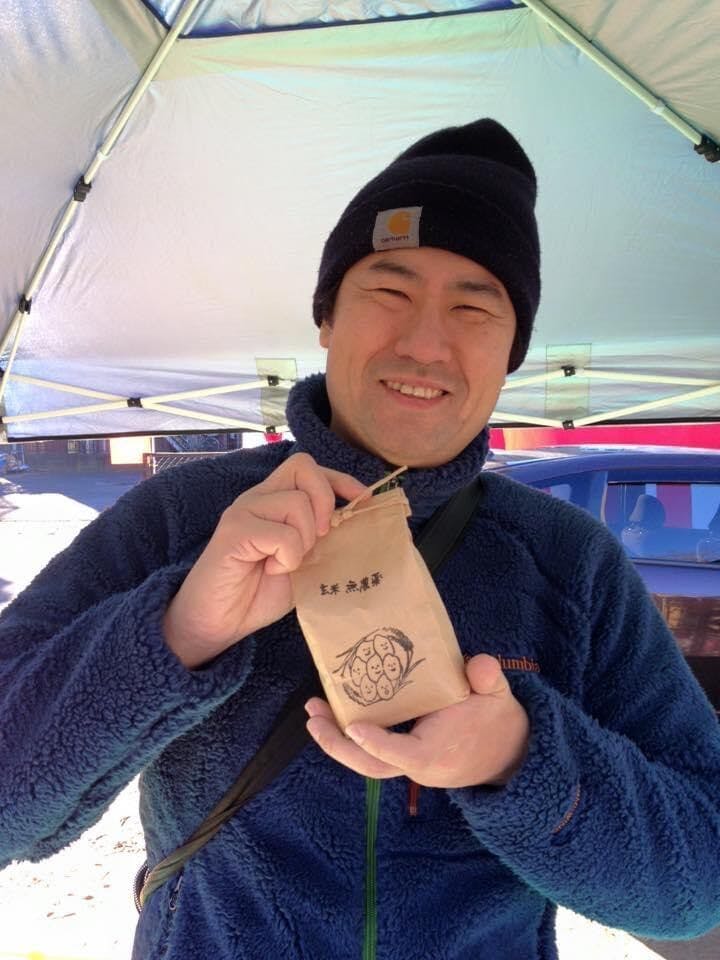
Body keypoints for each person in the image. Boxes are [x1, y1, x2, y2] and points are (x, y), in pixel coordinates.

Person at [1, 119, 720, 960]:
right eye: (389, 291)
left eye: (473, 306)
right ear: (326, 315)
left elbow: (698, 880)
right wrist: (181, 628)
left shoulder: (570, 561)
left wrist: (520, 759)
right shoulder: (184, 518)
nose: (425, 343)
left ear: (512, 351)